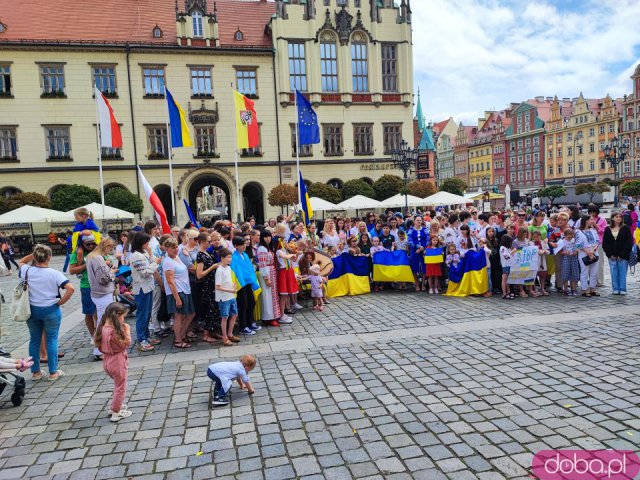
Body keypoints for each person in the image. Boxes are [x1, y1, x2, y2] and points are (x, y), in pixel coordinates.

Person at [19, 244, 75, 381]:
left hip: (32, 310)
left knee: (34, 340)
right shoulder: (55, 273)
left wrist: (34, 254)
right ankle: (53, 372)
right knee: (52, 340)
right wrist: (61, 302)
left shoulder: (27, 270)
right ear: (49, 257)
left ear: (36, 256)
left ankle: (36, 372)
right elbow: (71, 288)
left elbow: (21, 262)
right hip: (51, 310)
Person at [94, 302, 132, 422]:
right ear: (118, 316)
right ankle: (116, 411)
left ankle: (116, 405)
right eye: (123, 316)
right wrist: (127, 331)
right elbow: (125, 344)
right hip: (117, 361)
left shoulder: (102, 328)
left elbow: (99, 346)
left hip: (107, 360)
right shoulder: (114, 332)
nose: (123, 319)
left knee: (117, 385)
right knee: (120, 387)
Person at [86, 236, 117, 360]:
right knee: (103, 321)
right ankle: (99, 348)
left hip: (96, 292)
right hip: (102, 292)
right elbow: (103, 278)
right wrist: (112, 273)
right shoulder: (98, 258)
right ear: (106, 246)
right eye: (110, 248)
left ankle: (102, 346)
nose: (110, 251)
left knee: (102, 320)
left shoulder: (90, 256)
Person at [162, 237, 196, 349]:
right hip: (177, 291)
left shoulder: (176, 257)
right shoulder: (167, 262)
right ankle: (178, 339)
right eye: (172, 248)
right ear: (167, 249)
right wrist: (177, 298)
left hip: (185, 289)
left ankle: (182, 334)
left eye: (176, 247)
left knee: (191, 314)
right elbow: (170, 281)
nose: (175, 249)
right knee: (178, 316)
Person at [130, 233, 160, 351]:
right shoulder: (136, 256)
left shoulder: (144, 253)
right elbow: (144, 272)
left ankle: (146, 336)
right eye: (146, 242)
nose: (148, 244)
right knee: (142, 314)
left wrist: (152, 255)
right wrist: (155, 263)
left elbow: (150, 264)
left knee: (147, 313)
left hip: (148, 287)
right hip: (141, 288)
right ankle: (141, 339)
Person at [69, 235, 98, 354]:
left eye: (93, 243)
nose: (91, 246)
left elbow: (108, 260)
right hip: (86, 286)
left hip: (99, 285)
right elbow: (71, 270)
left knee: (99, 312)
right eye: (88, 244)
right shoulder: (77, 254)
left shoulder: (97, 251)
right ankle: (93, 335)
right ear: (82, 244)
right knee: (89, 312)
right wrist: (86, 265)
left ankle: (100, 334)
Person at [196, 233, 221, 344]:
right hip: (208, 286)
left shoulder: (206, 252)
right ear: (202, 242)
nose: (210, 243)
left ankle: (213, 330)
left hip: (213, 284)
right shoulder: (200, 255)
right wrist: (213, 266)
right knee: (210, 309)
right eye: (208, 241)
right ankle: (206, 334)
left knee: (215, 309)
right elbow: (199, 274)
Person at [231, 236, 260, 336]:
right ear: (235, 246)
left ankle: (249, 322)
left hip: (248, 282)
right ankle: (243, 327)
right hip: (241, 284)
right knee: (243, 305)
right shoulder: (234, 257)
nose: (244, 246)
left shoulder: (245, 255)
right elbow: (236, 272)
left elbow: (249, 268)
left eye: (244, 243)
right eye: (241, 244)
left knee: (251, 302)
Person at [603, 211, 634, 295]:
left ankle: (622, 288)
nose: (619, 218)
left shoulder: (626, 228)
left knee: (622, 272)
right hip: (612, 255)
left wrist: (622, 254)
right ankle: (615, 288)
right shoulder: (607, 229)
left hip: (623, 255)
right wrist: (609, 254)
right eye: (616, 216)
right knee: (614, 272)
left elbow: (629, 242)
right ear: (612, 218)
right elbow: (605, 243)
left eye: (620, 216)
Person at [256, 230, 282, 327]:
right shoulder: (262, 249)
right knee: (268, 296)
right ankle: (269, 317)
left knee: (272, 296)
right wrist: (266, 278)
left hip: (271, 271)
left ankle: (273, 316)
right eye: (265, 237)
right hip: (267, 272)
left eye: (269, 236)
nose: (268, 238)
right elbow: (262, 264)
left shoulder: (268, 248)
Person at [215, 248, 239, 346]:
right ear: (222, 258)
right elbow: (218, 286)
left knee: (234, 315)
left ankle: (230, 333)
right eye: (228, 257)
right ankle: (224, 337)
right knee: (225, 317)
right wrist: (230, 290)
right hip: (224, 298)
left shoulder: (228, 268)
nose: (230, 259)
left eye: (231, 257)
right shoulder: (219, 270)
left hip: (231, 296)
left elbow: (228, 281)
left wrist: (233, 286)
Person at [575, 215, 600, 297]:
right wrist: (588, 252)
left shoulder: (593, 230)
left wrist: (593, 251)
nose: (593, 221)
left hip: (594, 252)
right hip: (584, 253)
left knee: (594, 272)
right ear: (586, 221)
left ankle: (592, 289)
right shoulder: (578, 232)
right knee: (584, 271)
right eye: (591, 219)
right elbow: (578, 244)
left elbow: (597, 241)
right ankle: (584, 289)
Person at [587, 205, 607, 287]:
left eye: (594, 212)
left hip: (599, 243)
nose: (592, 214)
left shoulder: (602, 220)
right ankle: (591, 280)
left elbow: (604, 231)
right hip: (588, 243)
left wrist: (595, 225)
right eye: (590, 212)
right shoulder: (586, 219)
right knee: (588, 262)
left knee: (599, 262)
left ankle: (600, 281)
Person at [408, 216, 429, 291]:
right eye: (417, 220)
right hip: (414, 251)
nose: (419, 222)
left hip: (423, 251)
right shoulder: (411, 230)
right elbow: (410, 240)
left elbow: (427, 239)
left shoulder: (425, 229)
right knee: (414, 267)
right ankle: (417, 284)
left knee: (424, 267)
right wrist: (417, 247)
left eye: (420, 220)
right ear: (414, 221)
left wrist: (422, 248)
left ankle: (423, 284)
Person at [561, 228, 579, 296]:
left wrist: (576, 251)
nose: (570, 236)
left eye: (572, 234)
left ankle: (574, 289)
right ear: (565, 235)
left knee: (574, 273)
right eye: (569, 234)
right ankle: (565, 289)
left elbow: (579, 246)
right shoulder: (562, 241)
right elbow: (559, 251)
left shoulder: (574, 240)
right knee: (565, 273)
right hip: (566, 258)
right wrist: (564, 252)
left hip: (573, 258)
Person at [531, 230, 550, 296]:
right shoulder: (531, 243)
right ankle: (534, 289)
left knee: (543, 276)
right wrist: (538, 252)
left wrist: (544, 251)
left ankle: (542, 288)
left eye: (538, 237)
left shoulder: (543, 243)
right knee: (534, 276)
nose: (536, 238)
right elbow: (531, 251)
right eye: (535, 237)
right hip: (535, 262)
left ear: (540, 236)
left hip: (542, 261)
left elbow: (548, 251)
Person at [499, 235, 514, 299]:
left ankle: (508, 291)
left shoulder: (507, 248)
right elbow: (506, 256)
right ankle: (504, 293)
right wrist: (512, 252)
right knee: (504, 279)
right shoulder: (502, 248)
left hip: (509, 265)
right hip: (505, 265)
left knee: (508, 279)